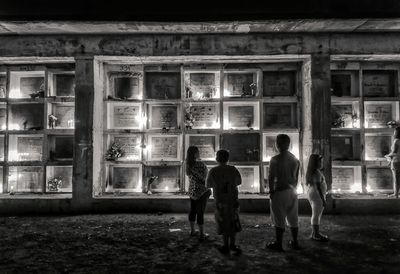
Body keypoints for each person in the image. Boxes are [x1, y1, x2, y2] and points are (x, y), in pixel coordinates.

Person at [267, 134, 300, 252]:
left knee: (279, 218)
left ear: (277, 144)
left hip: (280, 191)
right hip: (292, 191)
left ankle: (279, 244)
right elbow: (296, 178)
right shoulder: (295, 160)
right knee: (293, 217)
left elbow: (271, 177)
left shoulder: (275, 159)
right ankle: (295, 242)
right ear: (289, 144)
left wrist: (271, 191)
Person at [206, 150, 242, 255]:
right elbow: (239, 182)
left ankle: (225, 245)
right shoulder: (233, 169)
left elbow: (208, 185)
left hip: (220, 202)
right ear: (228, 159)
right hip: (233, 200)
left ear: (217, 159)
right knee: (233, 222)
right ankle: (233, 244)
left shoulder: (213, 171)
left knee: (223, 223)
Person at [186, 146, 211, 241]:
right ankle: (201, 234)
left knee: (192, 210)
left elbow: (189, 175)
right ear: (195, 153)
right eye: (198, 152)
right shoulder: (201, 164)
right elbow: (205, 178)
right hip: (201, 191)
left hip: (192, 190)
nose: (199, 153)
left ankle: (192, 231)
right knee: (200, 212)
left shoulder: (187, 164)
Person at [305, 154, 328, 242]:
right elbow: (318, 187)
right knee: (316, 215)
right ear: (315, 162)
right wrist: (323, 200)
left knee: (316, 214)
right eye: (320, 161)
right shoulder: (316, 172)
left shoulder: (314, 171)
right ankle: (316, 234)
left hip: (313, 193)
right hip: (317, 195)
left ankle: (315, 233)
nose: (321, 163)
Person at [385, 127, 400, 199]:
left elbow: (394, 152)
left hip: (396, 161)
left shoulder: (396, 141)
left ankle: (396, 194)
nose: (394, 133)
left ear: (397, 133)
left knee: (396, 179)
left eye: (395, 131)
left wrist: (387, 155)